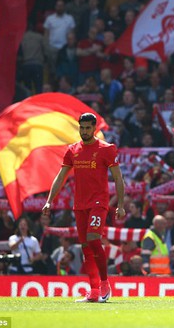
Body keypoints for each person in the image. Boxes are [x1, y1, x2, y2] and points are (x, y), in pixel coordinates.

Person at [42, 112, 126, 303]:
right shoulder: (72, 150)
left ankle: (105, 284)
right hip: (80, 204)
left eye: (88, 128)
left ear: (94, 129)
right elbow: (60, 176)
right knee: (86, 247)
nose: (84, 131)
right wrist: (49, 200)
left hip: (99, 202)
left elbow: (118, 178)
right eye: (82, 127)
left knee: (93, 239)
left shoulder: (106, 149)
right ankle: (94, 290)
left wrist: (120, 205)